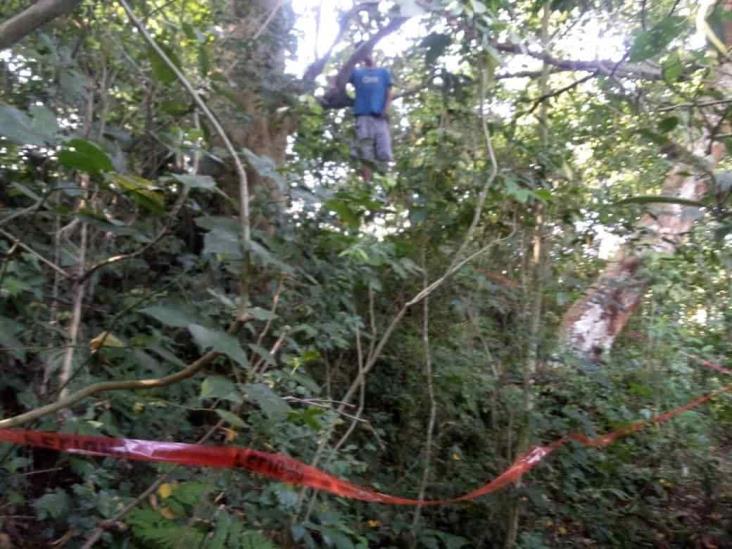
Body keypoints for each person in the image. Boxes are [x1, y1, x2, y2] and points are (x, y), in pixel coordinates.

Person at [348, 53, 393, 181]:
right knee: (365, 154)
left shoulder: (383, 72)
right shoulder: (356, 73)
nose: (365, 55)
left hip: (380, 117)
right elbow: (338, 79)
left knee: (384, 152)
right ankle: (367, 185)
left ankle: (386, 187)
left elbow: (389, 94)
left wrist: (386, 110)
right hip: (363, 116)